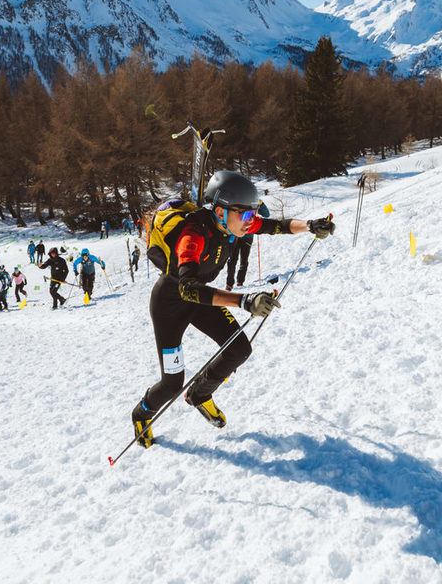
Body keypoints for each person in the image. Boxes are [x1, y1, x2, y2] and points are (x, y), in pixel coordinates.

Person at [130, 170, 334, 448]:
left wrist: (310, 225)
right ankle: (141, 413)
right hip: (170, 306)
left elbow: (277, 226)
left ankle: (200, 394)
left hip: (203, 301)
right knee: (172, 383)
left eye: (251, 215)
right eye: (245, 215)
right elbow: (187, 288)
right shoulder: (193, 235)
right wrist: (244, 301)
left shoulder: (233, 224)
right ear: (220, 211)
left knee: (239, 349)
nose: (250, 221)